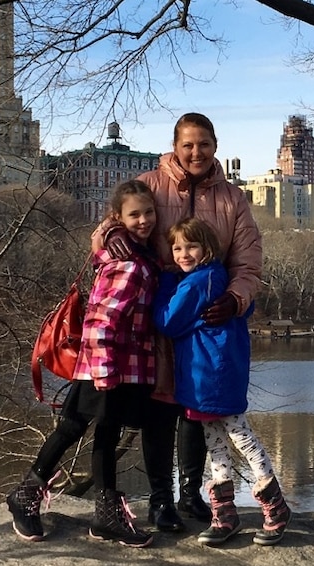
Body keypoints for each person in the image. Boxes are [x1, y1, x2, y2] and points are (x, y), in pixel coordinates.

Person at [94, 112, 262, 532]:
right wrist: (111, 235)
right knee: (159, 410)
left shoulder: (232, 199)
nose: (196, 152)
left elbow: (249, 262)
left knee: (196, 408)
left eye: (203, 144)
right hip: (155, 315)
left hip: (206, 324)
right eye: (188, 144)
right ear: (175, 145)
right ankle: (160, 500)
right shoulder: (150, 183)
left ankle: (192, 496)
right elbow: (110, 226)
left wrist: (235, 299)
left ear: (215, 145)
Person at [6, 180, 160, 548]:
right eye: (134, 214)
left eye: (149, 212)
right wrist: (105, 371)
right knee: (72, 427)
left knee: (103, 433)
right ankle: (25, 495)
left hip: (119, 365)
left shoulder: (131, 254)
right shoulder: (128, 263)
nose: (144, 220)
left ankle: (106, 517)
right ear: (118, 217)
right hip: (107, 364)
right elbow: (100, 321)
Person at [153, 218, 291, 546]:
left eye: (191, 246)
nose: (183, 254)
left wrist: (162, 286)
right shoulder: (217, 277)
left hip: (211, 373)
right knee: (215, 439)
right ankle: (225, 512)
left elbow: (167, 321)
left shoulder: (198, 282)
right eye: (177, 248)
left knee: (238, 434)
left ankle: (275, 504)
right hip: (207, 373)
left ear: (207, 248)